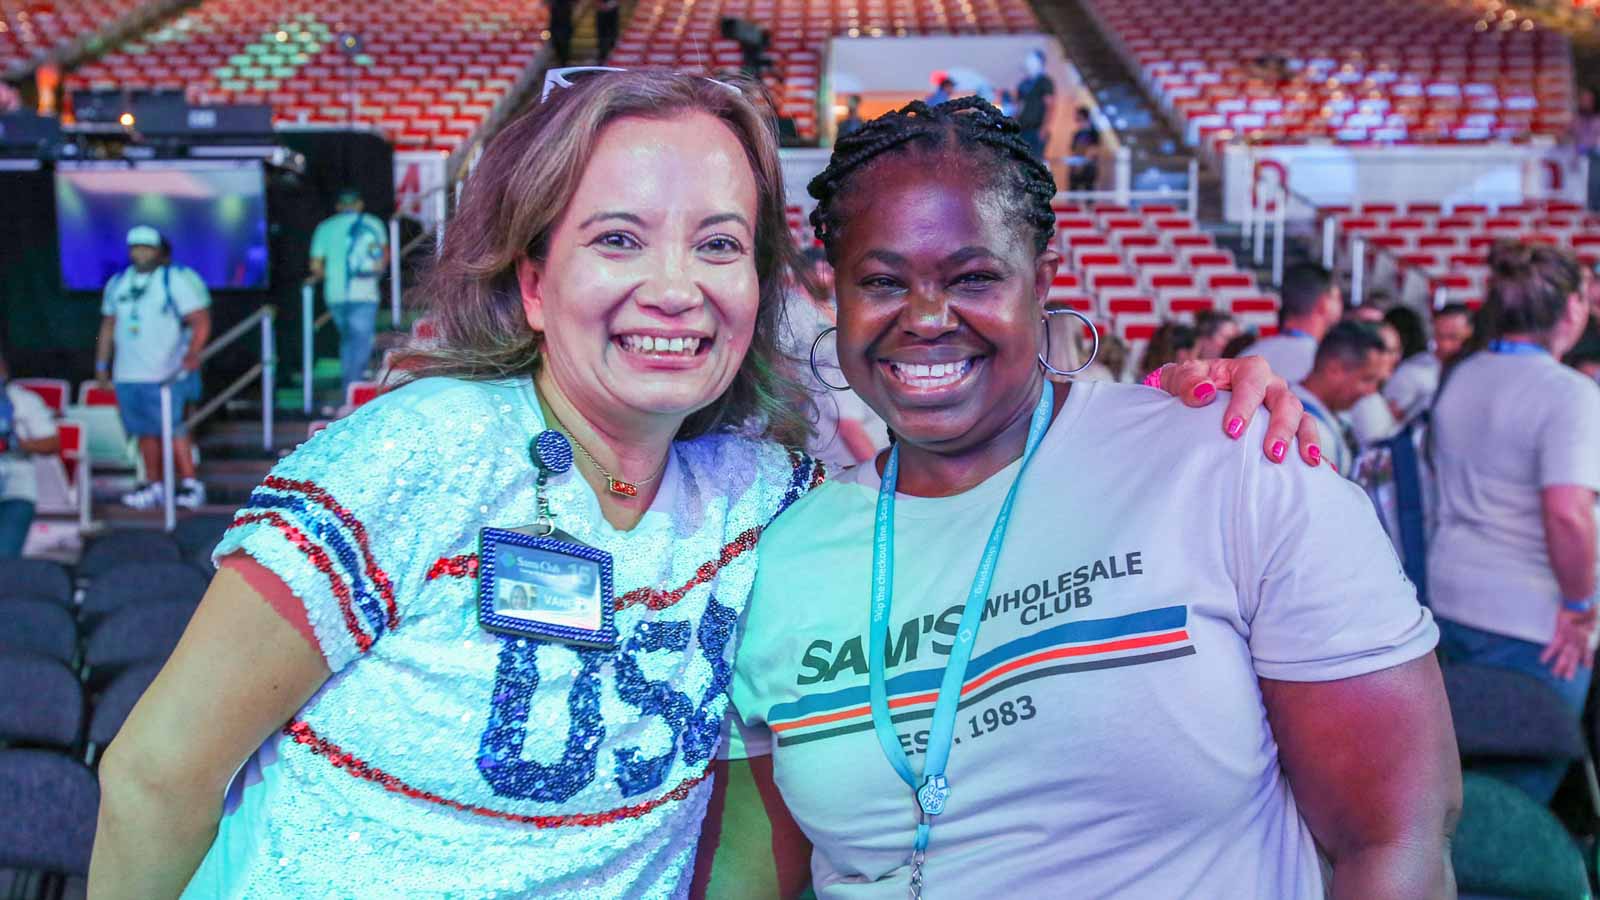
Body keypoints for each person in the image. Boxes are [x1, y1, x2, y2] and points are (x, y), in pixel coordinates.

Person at [89, 73, 1312, 898]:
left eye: (718, 244)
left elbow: (987, 476)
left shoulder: (766, 492)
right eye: (617, 238)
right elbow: (157, 773)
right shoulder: (416, 453)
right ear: (531, 281)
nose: (675, 287)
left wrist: (1189, 406)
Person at [710, 97, 1457, 898]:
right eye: (883, 281)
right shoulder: (778, 556)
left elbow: (1394, 838)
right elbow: (760, 879)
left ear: (1043, 281)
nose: (926, 317)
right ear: (838, 297)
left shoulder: (1234, 464)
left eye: (972, 276)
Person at [1428, 241, 1600, 803]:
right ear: (1573, 307)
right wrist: (1579, 608)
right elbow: (1568, 514)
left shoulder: (1462, 374)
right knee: (1516, 811)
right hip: (1535, 626)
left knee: (1460, 799)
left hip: (1451, 602)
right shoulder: (1568, 393)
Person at [95, 226, 211, 510]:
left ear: (159, 251)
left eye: (147, 247)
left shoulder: (173, 280)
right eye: (136, 247)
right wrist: (101, 364)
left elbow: (200, 319)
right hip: (128, 372)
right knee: (145, 432)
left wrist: (193, 353)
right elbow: (108, 326)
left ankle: (190, 484)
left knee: (174, 428)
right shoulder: (118, 283)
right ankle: (155, 484)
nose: (141, 252)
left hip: (164, 371)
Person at [790, 247, 886, 468]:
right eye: (825, 270)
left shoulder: (833, 307)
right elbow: (848, 427)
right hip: (813, 412)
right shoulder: (793, 310)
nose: (831, 277)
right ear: (807, 272)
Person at [309, 189, 390, 398]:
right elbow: (382, 260)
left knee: (348, 340)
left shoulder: (324, 228)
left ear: (338, 206)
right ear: (359, 204)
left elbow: (316, 267)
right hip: (364, 292)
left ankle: (350, 387)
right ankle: (352, 390)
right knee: (361, 341)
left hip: (335, 294)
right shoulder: (373, 223)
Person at [1292, 322, 1389, 477]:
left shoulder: (1311, 412)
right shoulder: (1314, 433)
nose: (1371, 391)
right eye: (1367, 379)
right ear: (1334, 369)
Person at [1239, 261, 1343, 382]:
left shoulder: (1249, 355)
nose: (1341, 305)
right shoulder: (1324, 365)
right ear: (1324, 303)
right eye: (1337, 298)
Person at [0, 355, 60, 558]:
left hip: (16, 490)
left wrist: (16, 444)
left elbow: (52, 442)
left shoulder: (25, 401)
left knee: (5, 558)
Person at [1383, 303, 1473, 425]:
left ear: (1471, 334)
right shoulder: (1410, 372)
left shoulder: (1483, 373)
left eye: (1453, 337)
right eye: (1439, 336)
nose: (1445, 345)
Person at [1347, 317, 1402, 447]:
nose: (1397, 358)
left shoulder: (1372, 396)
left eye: (1398, 350)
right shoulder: (1361, 399)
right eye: (1391, 351)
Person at [1014, 49, 1055, 158]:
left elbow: (1050, 105)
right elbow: (1018, 105)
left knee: (1035, 159)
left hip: (1036, 129)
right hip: (1022, 128)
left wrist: (1044, 127)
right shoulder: (1023, 83)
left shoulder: (1045, 82)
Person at [1066, 106, 1100, 191]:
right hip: (1076, 167)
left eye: (1078, 117)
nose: (1076, 119)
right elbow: (1073, 151)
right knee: (1073, 192)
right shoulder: (1077, 134)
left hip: (1088, 167)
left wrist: (1082, 163)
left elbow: (1094, 150)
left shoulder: (1094, 133)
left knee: (1089, 192)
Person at [548, 0, 575, 66]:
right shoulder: (554, 4)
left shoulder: (566, 4)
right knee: (557, 45)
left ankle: (564, 62)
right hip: (556, 27)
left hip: (564, 26)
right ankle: (561, 61)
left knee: (564, 45)